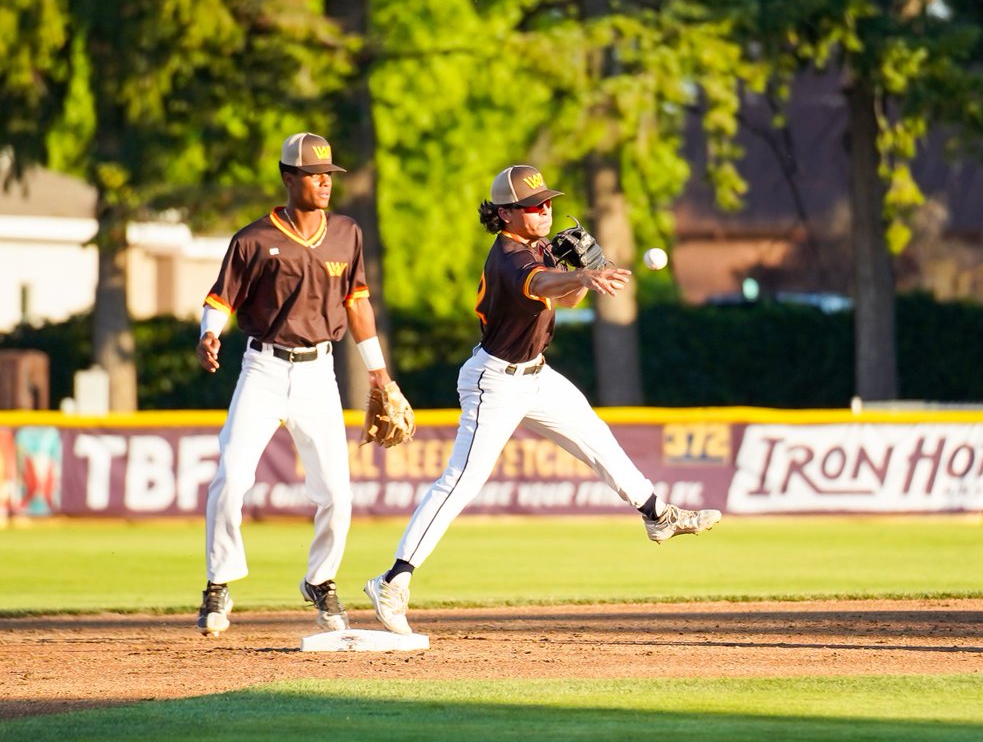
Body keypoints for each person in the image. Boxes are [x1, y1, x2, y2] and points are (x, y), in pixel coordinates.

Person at [363, 164, 721, 635]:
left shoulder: (536, 248)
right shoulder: (510, 257)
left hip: (536, 375)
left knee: (597, 438)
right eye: (534, 206)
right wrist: (580, 278)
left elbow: (562, 299)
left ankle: (657, 515)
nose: (546, 210)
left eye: (548, 202)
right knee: (461, 482)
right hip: (494, 381)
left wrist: (581, 276)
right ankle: (392, 580)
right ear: (507, 214)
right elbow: (542, 285)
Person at [195, 132, 407, 637]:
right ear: (288, 178)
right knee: (231, 477)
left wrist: (378, 371)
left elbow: (357, 302)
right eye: (313, 174)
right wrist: (208, 333)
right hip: (263, 369)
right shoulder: (252, 239)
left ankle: (321, 580)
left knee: (337, 490)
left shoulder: (347, 233)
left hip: (319, 372)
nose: (323, 183)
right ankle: (219, 582)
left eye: (328, 175)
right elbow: (220, 298)